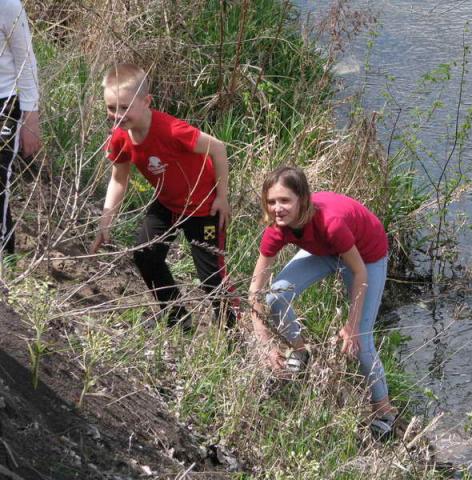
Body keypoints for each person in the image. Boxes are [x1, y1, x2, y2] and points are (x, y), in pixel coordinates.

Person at [248, 166, 397, 439]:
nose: (277, 208)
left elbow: (360, 272)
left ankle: (384, 410)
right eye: (271, 201)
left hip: (366, 256)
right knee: (276, 296)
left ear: (302, 200)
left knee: (361, 341)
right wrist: (265, 342)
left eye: (285, 201)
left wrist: (351, 326)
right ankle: (301, 351)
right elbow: (255, 290)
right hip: (326, 250)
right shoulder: (277, 228)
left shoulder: (331, 223)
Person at [91, 63, 234, 329]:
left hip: (204, 209)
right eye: (112, 108)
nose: (118, 115)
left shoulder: (171, 130)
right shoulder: (120, 137)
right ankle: (178, 318)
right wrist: (106, 220)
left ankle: (232, 330)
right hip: (167, 204)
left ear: (146, 102)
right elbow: (118, 179)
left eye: (125, 107)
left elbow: (218, 148)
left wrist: (222, 197)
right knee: (145, 254)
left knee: (211, 278)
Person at [1, 0, 42, 258]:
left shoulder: (7, 4)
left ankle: (5, 260)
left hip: (5, 99)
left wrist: (30, 115)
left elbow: (26, 59)